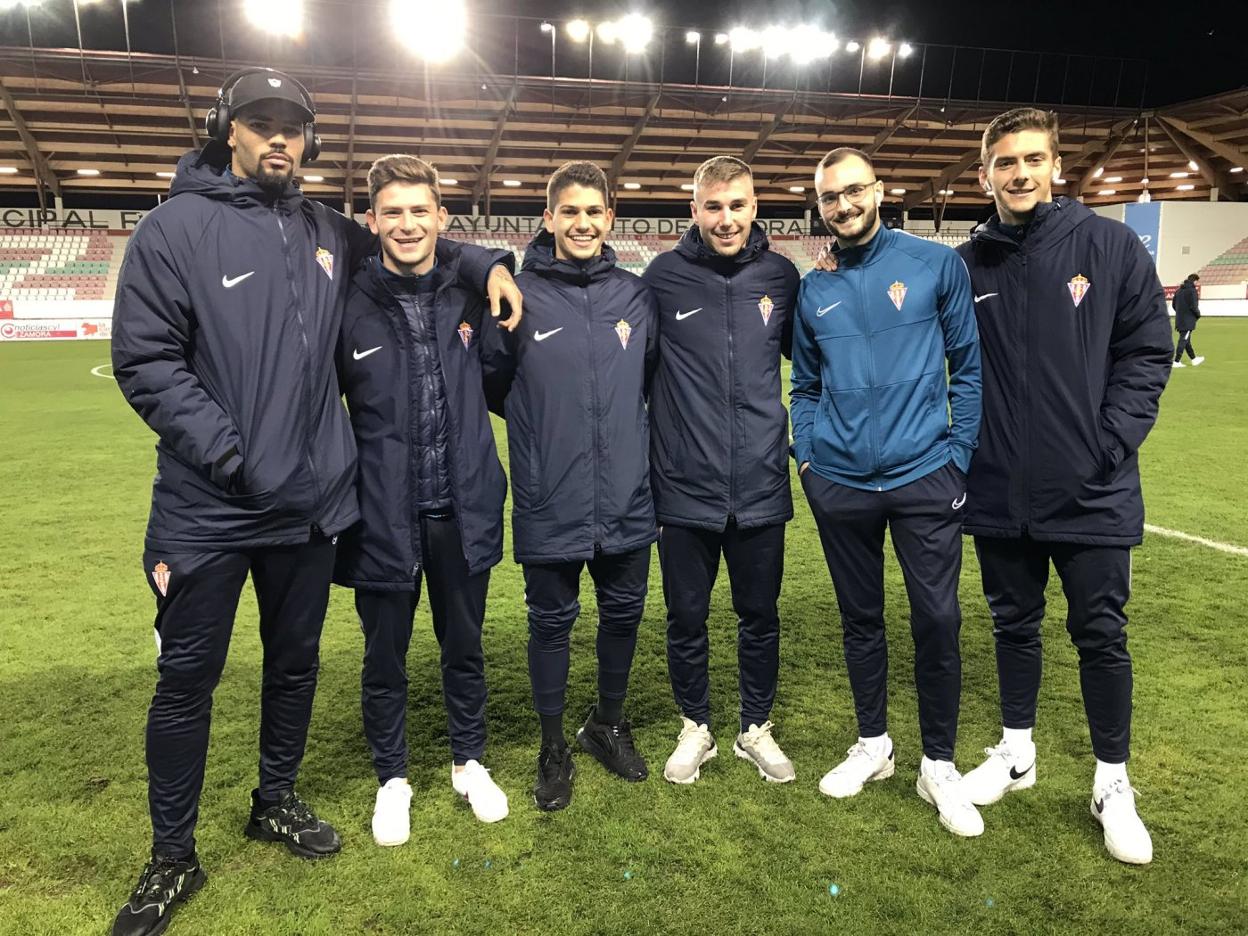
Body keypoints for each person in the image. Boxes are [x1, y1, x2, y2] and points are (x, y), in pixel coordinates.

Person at [109, 68, 520, 936]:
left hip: (307, 509)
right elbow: (145, 362)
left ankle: (277, 799)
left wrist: (489, 261)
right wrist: (228, 451)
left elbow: (427, 243)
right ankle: (171, 856)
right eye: (260, 124)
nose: (278, 139)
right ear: (229, 132)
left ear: (309, 142)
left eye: (291, 126)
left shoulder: (329, 228)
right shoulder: (170, 230)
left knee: (294, 666)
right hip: (208, 507)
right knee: (187, 681)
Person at [954, 107, 1172, 865]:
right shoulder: (967, 262)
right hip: (996, 489)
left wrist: (1107, 443)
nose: (1019, 173)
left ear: (1055, 167)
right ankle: (1017, 753)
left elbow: (1148, 352)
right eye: (1005, 162)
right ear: (986, 174)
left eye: (1033, 159)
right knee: (1012, 625)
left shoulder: (1107, 245)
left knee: (1101, 636)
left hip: (1092, 490)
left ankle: (1112, 782)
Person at [792, 147, 984, 837]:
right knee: (860, 620)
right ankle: (874, 745)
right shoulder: (814, 286)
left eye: (852, 191)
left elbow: (967, 367)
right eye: (828, 198)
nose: (842, 206)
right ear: (819, 207)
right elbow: (804, 387)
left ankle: (939, 764)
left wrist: (956, 456)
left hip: (924, 476)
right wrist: (808, 460)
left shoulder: (936, 264)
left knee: (938, 619)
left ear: (880, 190)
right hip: (840, 482)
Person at [334, 155, 514, 846]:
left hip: (461, 504)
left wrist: (489, 263)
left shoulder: (468, 294)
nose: (408, 224)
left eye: (421, 211)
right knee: (385, 658)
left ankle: (469, 761)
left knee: (463, 647)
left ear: (442, 218)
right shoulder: (344, 300)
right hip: (381, 510)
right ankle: (393, 778)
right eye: (394, 212)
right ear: (372, 220)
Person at [482, 160, 658, 812]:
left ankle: (606, 725)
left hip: (626, 495)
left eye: (595, 212)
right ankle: (554, 744)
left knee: (624, 614)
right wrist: (544, 432)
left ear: (611, 218)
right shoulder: (519, 296)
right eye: (570, 212)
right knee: (549, 623)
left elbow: (647, 384)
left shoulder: (636, 299)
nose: (583, 223)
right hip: (549, 494)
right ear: (548, 218)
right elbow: (493, 385)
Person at [641, 156, 800, 785]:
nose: (726, 218)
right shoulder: (662, 278)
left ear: (755, 207)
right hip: (684, 484)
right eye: (713, 206)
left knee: (759, 615)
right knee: (687, 616)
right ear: (695, 211)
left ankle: (754, 726)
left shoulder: (783, 278)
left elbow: (815, 364)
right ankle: (696, 726)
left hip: (761, 479)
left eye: (737, 205)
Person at [1171, 273, 1204, 367]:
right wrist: (1198, 315)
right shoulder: (1192, 291)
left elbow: (1174, 305)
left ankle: (1194, 359)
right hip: (1188, 320)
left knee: (1186, 340)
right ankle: (1176, 361)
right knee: (1183, 339)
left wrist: (1180, 313)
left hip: (1180, 319)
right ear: (1195, 281)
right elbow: (1194, 306)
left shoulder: (1178, 291)